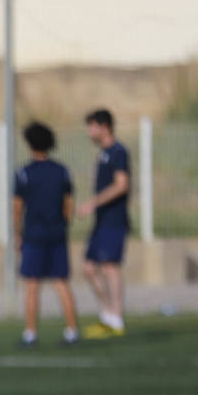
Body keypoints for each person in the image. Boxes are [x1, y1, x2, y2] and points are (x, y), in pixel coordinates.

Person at [13, 121, 80, 347]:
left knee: (32, 285)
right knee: (61, 283)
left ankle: (30, 334)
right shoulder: (62, 171)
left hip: (34, 235)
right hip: (57, 234)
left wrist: (18, 233)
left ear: (30, 144)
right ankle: (72, 332)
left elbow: (17, 207)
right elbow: (68, 203)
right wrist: (64, 224)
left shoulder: (24, 173)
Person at [77, 108, 131, 337]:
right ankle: (107, 316)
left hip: (114, 220)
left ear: (104, 127)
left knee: (110, 267)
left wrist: (93, 203)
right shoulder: (103, 153)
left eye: (92, 126)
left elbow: (121, 185)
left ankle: (116, 319)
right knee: (89, 268)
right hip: (101, 222)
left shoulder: (118, 152)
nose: (89, 131)